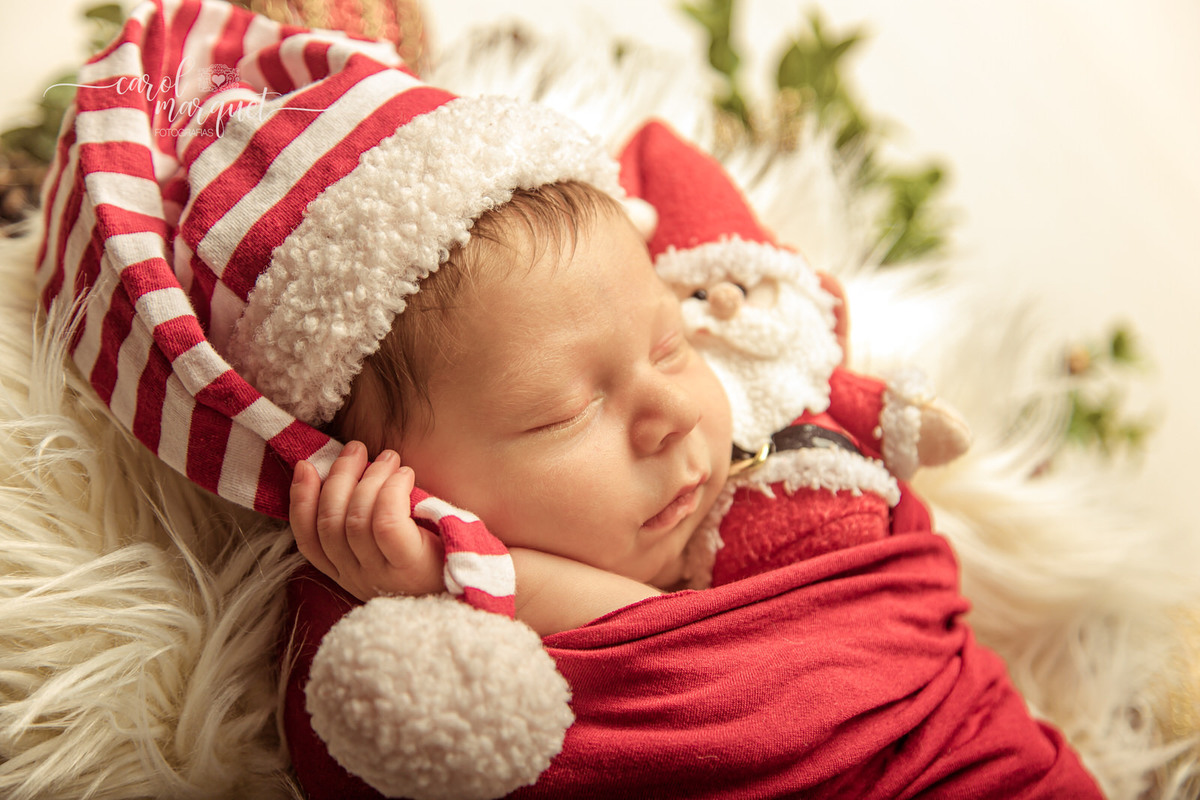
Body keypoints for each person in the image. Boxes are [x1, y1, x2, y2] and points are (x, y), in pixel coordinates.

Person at [287, 179, 735, 635]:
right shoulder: (398, 654)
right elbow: (711, 657)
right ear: (412, 496)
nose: (681, 412)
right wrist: (462, 581)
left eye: (669, 347)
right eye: (568, 412)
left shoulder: (789, 464)